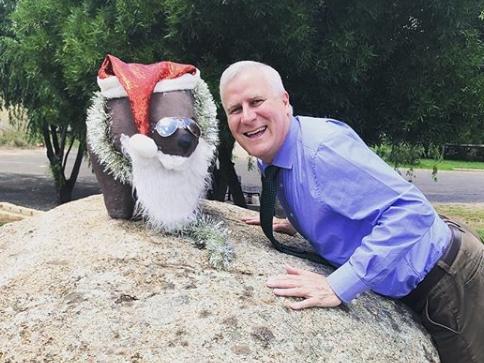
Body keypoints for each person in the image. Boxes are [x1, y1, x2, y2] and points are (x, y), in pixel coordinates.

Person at [219, 60, 484, 363]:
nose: (248, 117)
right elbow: (331, 196)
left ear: (284, 101)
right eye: (235, 109)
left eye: (256, 101)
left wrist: (339, 284)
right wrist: (298, 221)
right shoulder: (273, 148)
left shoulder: (322, 151)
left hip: (446, 279)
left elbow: (413, 212)